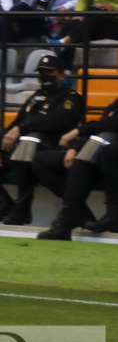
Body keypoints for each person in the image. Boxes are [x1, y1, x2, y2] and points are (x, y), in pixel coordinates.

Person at [0, 55, 84, 225]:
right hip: (19, 150)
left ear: (61, 75)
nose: (44, 76)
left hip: (47, 151)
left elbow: (55, 122)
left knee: (28, 144)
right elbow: (15, 123)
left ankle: (22, 209)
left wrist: (21, 129)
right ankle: (3, 201)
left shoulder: (70, 97)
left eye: (49, 72)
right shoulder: (35, 97)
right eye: (41, 72)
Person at [34, 97, 118, 240]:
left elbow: (112, 125)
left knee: (95, 155)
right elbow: (101, 128)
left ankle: (69, 219)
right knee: (42, 161)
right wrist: (76, 147)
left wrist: (79, 131)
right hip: (101, 156)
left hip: (109, 157)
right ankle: (79, 215)